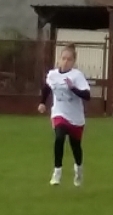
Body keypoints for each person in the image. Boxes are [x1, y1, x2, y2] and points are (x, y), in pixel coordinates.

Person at [38, 45, 90, 187]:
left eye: (69, 59)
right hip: (59, 113)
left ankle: (78, 170)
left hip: (76, 117)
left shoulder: (77, 76)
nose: (66, 62)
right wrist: (42, 103)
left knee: (75, 146)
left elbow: (87, 95)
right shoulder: (52, 75)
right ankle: (57, 172)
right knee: (59, 137)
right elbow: (47, 88)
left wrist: (73, 88)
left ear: (73, 62)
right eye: (64, 58)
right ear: (59, 59)